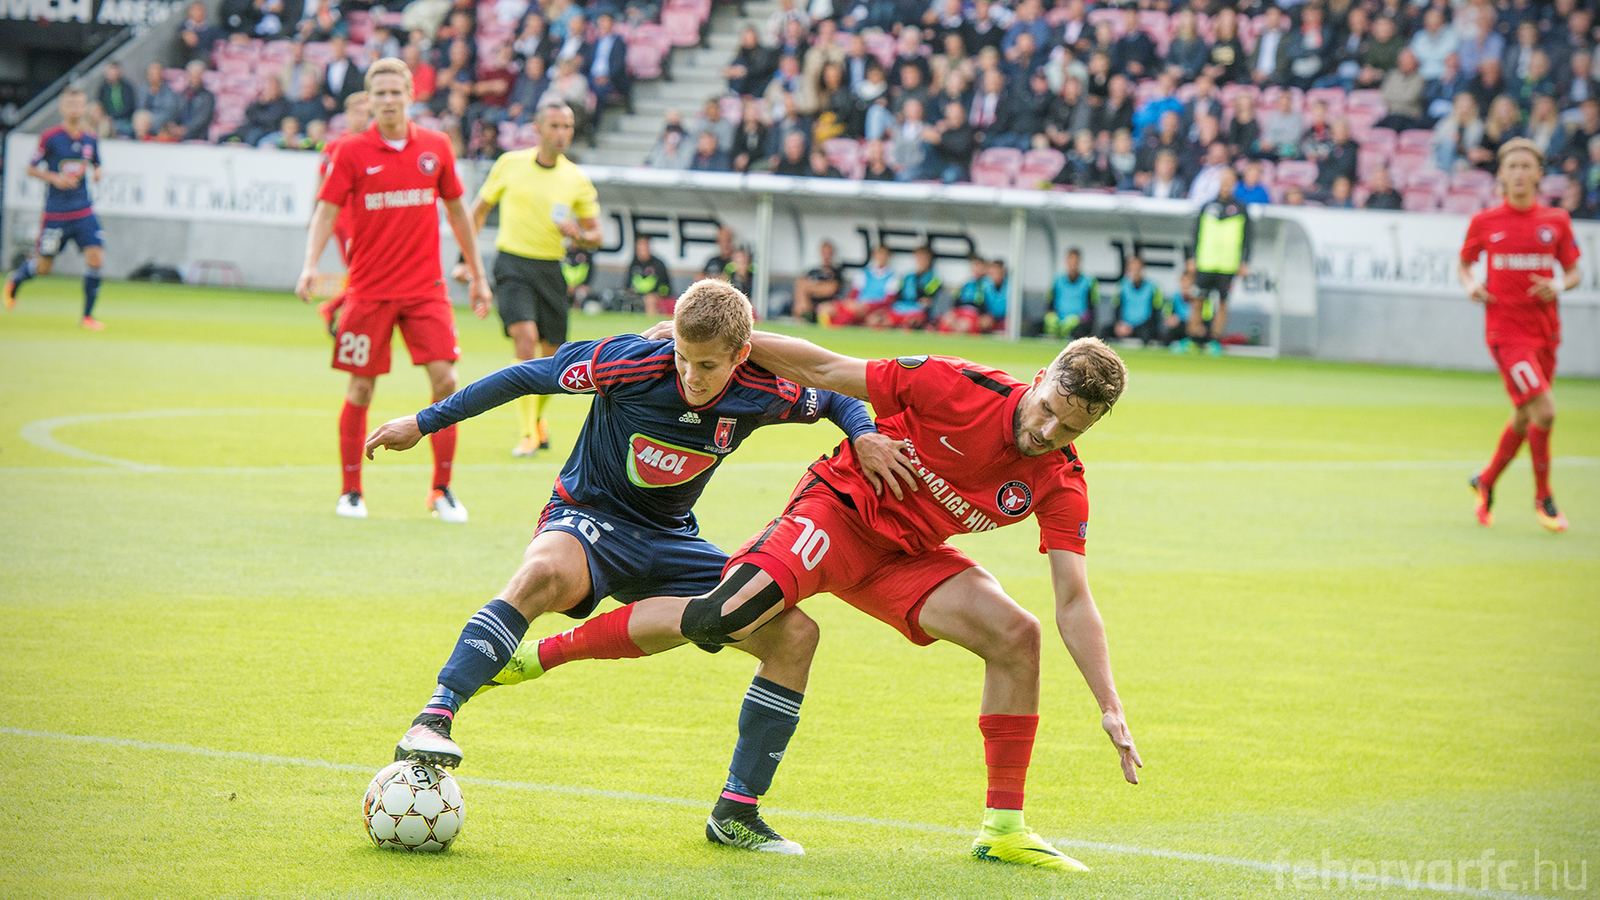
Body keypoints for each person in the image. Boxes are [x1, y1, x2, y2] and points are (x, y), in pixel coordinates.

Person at [476, 330, 1142, 869]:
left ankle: (1003, 829)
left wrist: (1109, 704)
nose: (1048, 431)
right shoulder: (955, 383)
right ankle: (539, 656)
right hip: (838, 513)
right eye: (1047, 409)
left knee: (1017, 636)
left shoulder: (1060, 479)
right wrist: (728, 342)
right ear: (1039, 379)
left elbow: (1073, 600)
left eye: (1069, 428)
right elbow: (826, 368)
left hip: (907, 558)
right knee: (721, 616)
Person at [369, 281, 907, 853]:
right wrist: (423, 422)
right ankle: (436, 716)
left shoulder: (762, 389)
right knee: (541, 575)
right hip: (587, 518)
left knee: (794, 635)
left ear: (740, 356)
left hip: (671, 543)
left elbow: (836, 398)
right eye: (681, 356)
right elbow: (526, 375)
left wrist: (864, 435)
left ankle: (737, 813)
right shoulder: (630, 362)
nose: (691, 376)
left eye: (707, 365)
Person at [294, 58, 492, 522]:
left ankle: (441, 489)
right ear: (369, 100)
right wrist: (310, 265)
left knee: (446, 382)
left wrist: (478, 274)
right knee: (361, 388)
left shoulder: (436, 146)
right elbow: (326, 212)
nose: (387, 100)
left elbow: (458, 213)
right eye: (379, 93)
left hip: (426, 290)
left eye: (394, 92)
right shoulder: (350, 151)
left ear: (409, 95)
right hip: (369, 290)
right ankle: (351, 492)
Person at [459, 99, 602, 459]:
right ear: (537, 129)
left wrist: (580, 235)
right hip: (512, 264)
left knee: (553, 360)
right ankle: (527, 435)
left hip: (551, 269)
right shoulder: (510, 164)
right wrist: (465, 260)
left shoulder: (576, 178)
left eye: (567, 127)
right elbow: (478, 212)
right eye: (554, 126)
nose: (561, 133)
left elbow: (596, 234)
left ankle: (536, 420)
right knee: (525, 340)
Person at [1459, 138, 1579, 533]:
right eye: (1512, 166)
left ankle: (1486, 480)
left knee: (1526, 416)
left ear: (1539, 174)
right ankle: (1544, 498)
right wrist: (1471, 284)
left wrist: (1557, 285)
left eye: (1527, 166)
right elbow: (1464, 264)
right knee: (1545, 411)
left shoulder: (1556, 221)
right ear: (1501, 174)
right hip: (1506, 334)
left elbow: (1574, 272)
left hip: (1545, 332)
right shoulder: (1485, 221)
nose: (1519, 173)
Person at [5, 87, 106, 329]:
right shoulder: (50, 137)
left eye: (79, 104)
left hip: (83, 211)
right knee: (43, 267)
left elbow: (96, 163)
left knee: (96, 257)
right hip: (56, 213)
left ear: (85, 107)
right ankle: (16, 280)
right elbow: (30, 168)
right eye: (71, 105)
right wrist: (53, 178)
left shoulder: (90, 138)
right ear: (62, 108)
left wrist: (98, 172)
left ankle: (87, 316)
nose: (75, 109)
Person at [310, 91, 372, 335]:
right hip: (344, 218)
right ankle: (342, 315)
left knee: (366, 273)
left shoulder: (372, 144)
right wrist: (315, 215)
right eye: (356, 112)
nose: (361, 117)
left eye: (365, 113)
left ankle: (334, 309)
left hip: (367, 218)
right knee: (362, 273)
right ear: (346, 115)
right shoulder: (336, 146)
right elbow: (322, 182)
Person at [1187, 168, 1251, 356]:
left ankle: (1215, 340)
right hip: (1206, 261)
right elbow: (1195, 234)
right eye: (1223, 181)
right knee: (1198, 300)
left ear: (1234, 184)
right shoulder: (1207, 206)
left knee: (1222, 302)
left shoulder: (1241, 209)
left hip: (1228, 264)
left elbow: (1248, 238)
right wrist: (1192, 257)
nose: (1226, 185)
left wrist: (1244, 262)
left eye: (1229, 181)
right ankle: (1193, 339)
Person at [865, 244, 942, 329]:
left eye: (924, 258)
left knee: (913, 322)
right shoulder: (907, 277)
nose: (921, 260)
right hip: (901, 308)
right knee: (877, 320)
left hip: (918, 311)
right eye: (919, 257)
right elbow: (899, 295)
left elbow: (930, 299)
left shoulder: (934, 279)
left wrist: (926, 301)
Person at [819, 244, 896, 327]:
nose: (880, 258)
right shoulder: (864, 273)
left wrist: (868, 305)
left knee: (854, 310)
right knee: (825, 307)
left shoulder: (892, 276)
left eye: (883, 255)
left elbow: (888, 301)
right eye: (878, 254)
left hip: (873, 308)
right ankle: (829, 326)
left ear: (888, 257)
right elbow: (854, 293)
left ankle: (835, 326)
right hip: (858, 304)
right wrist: (850, 302)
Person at [1098, 256, 1163, 343]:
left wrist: (1132, 328)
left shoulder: (1153, 287)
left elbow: (1156, 314)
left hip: (1143, 327)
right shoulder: (1122, 286)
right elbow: (1116, 309)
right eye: (1132, 268)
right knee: (1103, 331)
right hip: (1124, 326)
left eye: (1137, 268)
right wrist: (1120, 325)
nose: (1135, 271)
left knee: (1147, 333)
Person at [1044, 247, 1099, 340]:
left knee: (1078, 330)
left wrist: (1082, 319)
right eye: (1071, 260)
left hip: (1078, 322)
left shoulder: (1089, 282)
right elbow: (1049, 303)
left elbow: (1092, 307)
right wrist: (1052, 316)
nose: (1073, 263)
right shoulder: (1057, 280)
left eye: (1075, 260)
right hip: (1058, 320)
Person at [789, 239, 841, 323]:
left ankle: (805, 316)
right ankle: (803, 315)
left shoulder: (837, 271)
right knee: (801, 284)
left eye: (828, 252)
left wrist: (810, 288)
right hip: (809, 302)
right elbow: (801, 285)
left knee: (803, 287)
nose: (826, 255)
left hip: (826, 304)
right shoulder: (813, 271)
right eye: (824, 252)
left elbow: (831, 289)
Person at [623, 235, 674, 315]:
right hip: (638, 295)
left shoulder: (658, 264)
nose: (642, 250)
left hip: (657, 296)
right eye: (639, 248)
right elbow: (627, 285)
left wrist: (653, 294)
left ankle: (650, 320)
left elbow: (664, 287)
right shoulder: (634, 264)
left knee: (650, 300)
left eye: (644, 247)